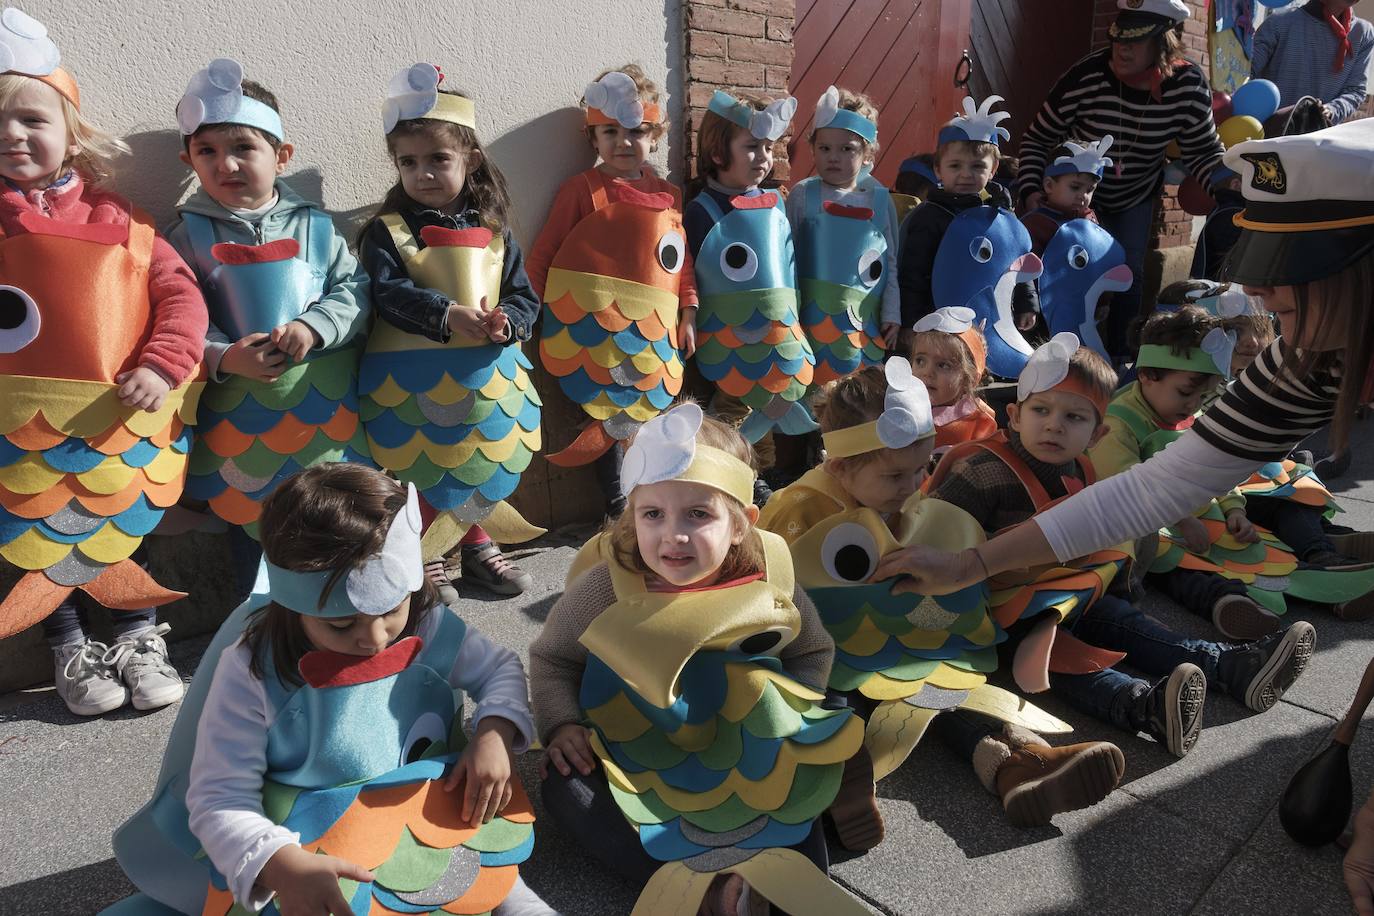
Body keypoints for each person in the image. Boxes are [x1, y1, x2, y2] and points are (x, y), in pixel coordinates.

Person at [873, 119, 1374, 691]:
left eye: (1287, 265)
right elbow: (1155, 488)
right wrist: (971, 564)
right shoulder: (1311, 356)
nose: (1258, 290)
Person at [104, 464, 550, 916]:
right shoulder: (255, 669)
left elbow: (498, 669)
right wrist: (281, 864)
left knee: (480, 874)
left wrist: (493, 732)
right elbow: (219, 795)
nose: (375, 639)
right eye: (341, 624)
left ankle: (507, 892)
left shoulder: (426, 622)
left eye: (392, 609)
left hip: (434, 814)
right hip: (315, 841)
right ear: (292, 606)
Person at [759, 361, 1124, 837]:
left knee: (941, 683)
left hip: (899, 635)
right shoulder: (798, 506)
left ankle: (1020, 760)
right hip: (829, 647)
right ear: (840, 465)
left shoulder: (899, 489)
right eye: (896, 477)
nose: (913, 487)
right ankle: (835, 777)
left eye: (921, 470)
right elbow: (770, 585)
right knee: (827, 697)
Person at [532, 403, 866, 916]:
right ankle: (704, 892)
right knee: (564, 787)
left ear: (740, 524)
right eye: (653, 514)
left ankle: (791, 880)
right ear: (631, 516)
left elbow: (813, 649)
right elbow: (554, 658)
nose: (674, 535)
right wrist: (562, 726)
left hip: (747, 743)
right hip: (637, 746)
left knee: (810, 760)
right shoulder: (609, 586)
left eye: (698, 514)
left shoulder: (767, 579)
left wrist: (798, 721)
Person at [927, 334, 1317, 756]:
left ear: (1097, 434)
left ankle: (1229, 665)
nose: (1055, 425)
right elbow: (937, 534)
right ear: (1015, 416)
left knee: (1128, 622)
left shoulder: (1083, 467)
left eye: (1074, 418)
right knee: (1061, 658)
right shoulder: (982, 470)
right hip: (998, 612)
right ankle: (1141, 706)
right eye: (1041, 410)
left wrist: (1114, 581)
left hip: (1066, 591)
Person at [0, 9, 207, 715]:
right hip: (16, 427)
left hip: (118, 418)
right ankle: (69, 647)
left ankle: (138, 634)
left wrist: (165, 363)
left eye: (31, 119)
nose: (12, 135)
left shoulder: (116, 220)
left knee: (117, 520)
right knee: (33, 531)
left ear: (69, 133)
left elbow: (178, 294)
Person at [167, 60, 370, 603]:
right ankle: (258, 621)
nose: (225, 163)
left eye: (243, 148)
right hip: (238, 419)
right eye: (206, 151)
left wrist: (314, 326)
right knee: (250, 517)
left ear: (281, 156)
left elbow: (354, 292)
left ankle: (344, 610)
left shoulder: (317, 227)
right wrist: (223, 356)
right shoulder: (184, 236)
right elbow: (176, 316)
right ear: (188, 159)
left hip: (321, 414)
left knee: (333, 512)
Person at [358, 64, 539, 599]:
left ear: (471, 160)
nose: (424, 173)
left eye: (439, 158)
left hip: (485, 379)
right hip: (411, 380)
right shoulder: (386, 231)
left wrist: (509, 322)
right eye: (408, 162)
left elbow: (525, 295)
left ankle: (479, 546)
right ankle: (424, 551)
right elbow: (386, 293)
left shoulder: (498, 231)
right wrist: (445, 314)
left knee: (478, 459)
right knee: (422, 461)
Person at [1016, 0, 1226, 364]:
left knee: (1128, 274)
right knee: (1062, 274)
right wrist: (1033, 191)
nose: (1122, 48)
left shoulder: (1188, 85)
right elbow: (1036, 138)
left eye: (1136, 39)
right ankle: (1044, 356)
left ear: (1164, 41)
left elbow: (1204, 153)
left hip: (1134, 197)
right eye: (1118, 38)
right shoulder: (1086, 77)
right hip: (1069, 199)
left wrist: (1229, 187)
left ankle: (1118, 360)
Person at [529, 65, 697, 513]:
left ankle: (654, 496)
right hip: (594, 333)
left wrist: (688, 313)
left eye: (638, 131)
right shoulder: (581, 190)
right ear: (593, 138)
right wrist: (538, 316)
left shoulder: (669, 195)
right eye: (611, 132)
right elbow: (544, 256)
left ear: (656, 135)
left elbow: (681, 264)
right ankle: (618, 504)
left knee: (649, 413)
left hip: (653, 332)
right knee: (607, 415)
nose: (624, 142)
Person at [684, 88, 813, 506]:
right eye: (752, 147)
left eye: (769, 148)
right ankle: (729, 470)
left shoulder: (776, 202)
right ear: (719, 151)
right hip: (729, 335)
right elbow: (693, 274)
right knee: (733, 406)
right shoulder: (702, 210)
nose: (763, 158)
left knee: (772, 399)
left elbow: (788, 264)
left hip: (778, 330)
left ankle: (759, 472)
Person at [899, 95, 1039, 339]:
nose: (966, 175)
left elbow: (1016, 262)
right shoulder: (930, 217)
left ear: (993, 170)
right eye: (955, 166)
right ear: (938, 169)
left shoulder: (1000, 216)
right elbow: (913, 274)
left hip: (987, 317)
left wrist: (1026, 303)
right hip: (937, 317)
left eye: (977, 167)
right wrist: (911, 322)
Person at [788, 84, 901, 380]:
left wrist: (892, 313)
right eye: (824, 148)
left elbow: (889, 262)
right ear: (813, 148)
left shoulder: (877, 199)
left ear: (867, 153)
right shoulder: (803, 195)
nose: (833, 157)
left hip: (863, 318)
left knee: (857, 384)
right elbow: (788, 257)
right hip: (809, 317)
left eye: (846, 149)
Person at [1251, 0, 1373, 127]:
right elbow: (1247, 73)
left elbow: (1355, 90)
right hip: (1272, 135)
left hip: (1318, 140)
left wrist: (1331, 110)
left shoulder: (1363, 33)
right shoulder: (1279, 22)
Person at [909, 306, 998, 456]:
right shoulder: (897, 409)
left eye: (943, 365)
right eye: (920, 361)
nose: (927, 372)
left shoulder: (978, 423)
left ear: (969, 379)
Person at [1020, 138, 1109, 257]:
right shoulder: (1035, 224)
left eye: (1089, 190)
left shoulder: (1090, 219)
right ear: (1049, 185)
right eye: (1075, 187)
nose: (1083, 195)